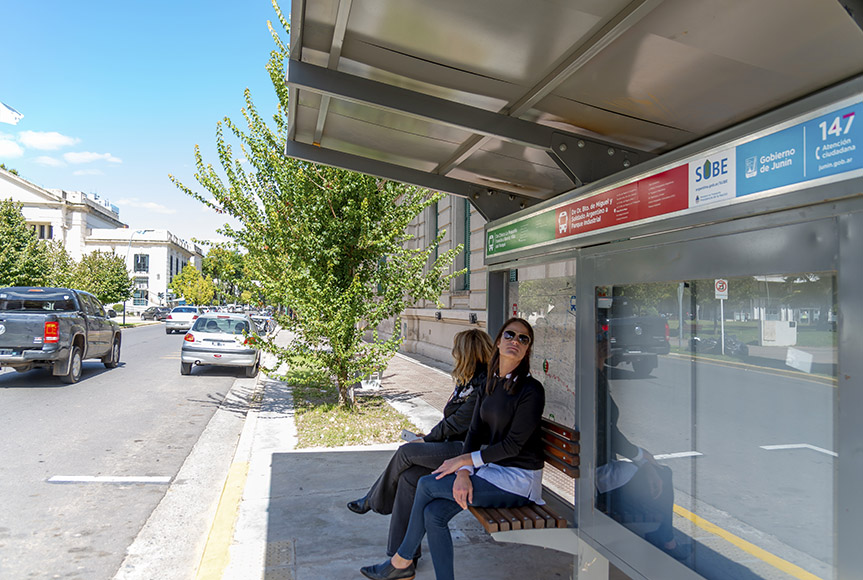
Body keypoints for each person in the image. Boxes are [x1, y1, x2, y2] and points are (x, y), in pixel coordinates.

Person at [360, 317, 545, 580]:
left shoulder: (531, 390)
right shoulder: (490, 384)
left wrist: (465, 462)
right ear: (499, 342)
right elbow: (474, 432)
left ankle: (400, 561)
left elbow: (513, 446)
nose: (515, 341)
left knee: (426, 484)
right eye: (510, 335)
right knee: (433, 513)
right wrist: (463, 471)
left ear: (527, 350)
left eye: (523, 339)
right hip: (489, 471)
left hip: (518, 479)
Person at [348, 329, 494, 563]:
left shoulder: (484, 386)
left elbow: (458, 423)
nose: (454, 353)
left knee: (406, 452)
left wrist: (425, 441)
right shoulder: (467, 381)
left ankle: (373, 500)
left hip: (468, 452)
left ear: (468, 353)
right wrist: (428, 436)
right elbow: (450, 423)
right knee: (410, 478)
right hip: (454, 445)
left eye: (457, 349)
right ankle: (402, 555)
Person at [594, 321, 690, 560]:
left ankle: (660, 533)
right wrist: (641, 458)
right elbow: (608, 433)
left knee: (649, 467)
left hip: (588, 466)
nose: (606, 342)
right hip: (595, 475)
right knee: (662, 473)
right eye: (599, 338)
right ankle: (666, 540)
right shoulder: (591, 381)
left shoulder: (593, 374)